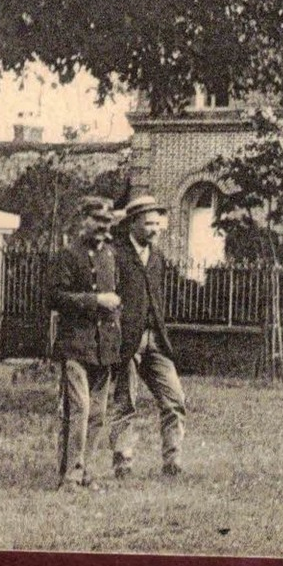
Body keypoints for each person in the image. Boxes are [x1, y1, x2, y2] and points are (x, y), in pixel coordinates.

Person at [110, 194, 188, 479]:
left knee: (174, 398)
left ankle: (173, 461)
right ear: (132, 224)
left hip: (156, 340)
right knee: (125, 402)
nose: (155, 229)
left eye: (158, 224)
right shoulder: (115, 255)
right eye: (149, 224)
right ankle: (123, 461)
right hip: (126, 341)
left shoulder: (157, 258)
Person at [48, 196, 123, 490]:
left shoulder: (110, 256)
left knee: (98, 414)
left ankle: (87, 470)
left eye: (108, 223)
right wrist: (96, 301)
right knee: (78, 410)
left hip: (103, 348)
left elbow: (116, 295)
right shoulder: (68, 255)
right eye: (99, 222)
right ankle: (70, 475)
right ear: (84, 221)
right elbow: (55, 297)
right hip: (76, 346)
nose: (105, 229)